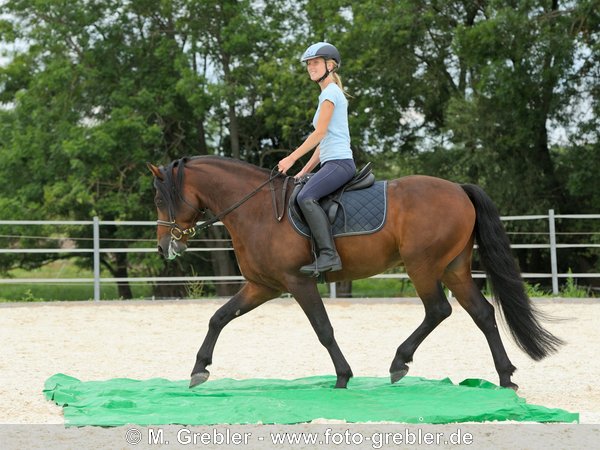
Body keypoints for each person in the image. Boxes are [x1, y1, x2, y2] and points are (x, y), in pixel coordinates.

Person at [278, 42, 355, 276]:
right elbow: (324, 144)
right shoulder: (327, 93)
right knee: (303, 190)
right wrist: (304, 170)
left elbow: (319, 133)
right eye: (309, 64)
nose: (311, 67)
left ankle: (328, 255)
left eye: (315, 63)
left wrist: (291, 158)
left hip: (340, 163)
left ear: (330, 65)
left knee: (307, 197)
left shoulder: (330, 93)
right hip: (331, 161)